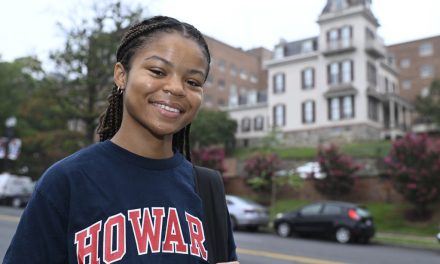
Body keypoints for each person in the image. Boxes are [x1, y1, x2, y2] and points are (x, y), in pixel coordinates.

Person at [3, 16, 238, 264]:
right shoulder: (67, 181)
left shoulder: (207, 188)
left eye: (192, 82)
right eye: (158, 71)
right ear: (121, 75)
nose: (176, 88)